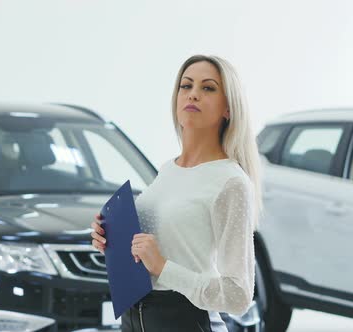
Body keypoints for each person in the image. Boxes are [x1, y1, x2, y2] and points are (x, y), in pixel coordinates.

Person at [91, 54, 262, 331]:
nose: (193, 95)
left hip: (184, 321)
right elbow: (154, 247)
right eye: (186, 86)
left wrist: (163, 267)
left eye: (207, 88)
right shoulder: (167, 170)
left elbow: (238, 295)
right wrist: (109, 237)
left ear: (228, 109)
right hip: (134, 317)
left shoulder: (231, 182)